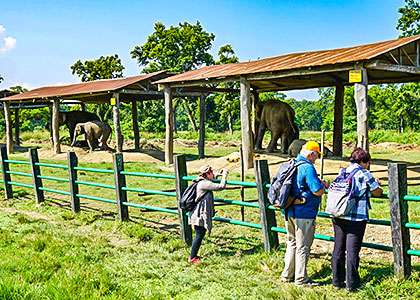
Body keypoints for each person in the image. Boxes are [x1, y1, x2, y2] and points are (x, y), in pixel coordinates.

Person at [331, 147, 383, 293]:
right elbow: (377, 192)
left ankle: (337, 281)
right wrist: (378, 185)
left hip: (338, 214)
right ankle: (352, 284)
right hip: (356, 218)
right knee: (353, 251)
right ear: (365, 161)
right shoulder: (365, 173)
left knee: (338, 249)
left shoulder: (343, 171)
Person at [281, 141, 330, 286]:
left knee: (292, 243)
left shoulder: (293, 164)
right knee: (303, 246)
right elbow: (316, 190)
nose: (316, 159)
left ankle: (287, 274)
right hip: (304, 213)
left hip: (289, 210)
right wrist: (324, 186)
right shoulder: (308, 168)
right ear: (310, 154)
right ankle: (301, 279)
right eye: (316, 156)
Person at [188, 165, 229, 264]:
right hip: (199, 214)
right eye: (211, 172)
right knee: (199, 235)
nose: (212, 174)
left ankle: (193, 255)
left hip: (198, 213)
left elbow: (210, 178)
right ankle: (192, 257)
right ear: (206, 174)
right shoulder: (204, 184)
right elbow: (220, 186)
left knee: (199, 234)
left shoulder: (202, 180)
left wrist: (218, 174)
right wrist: (224, 176)